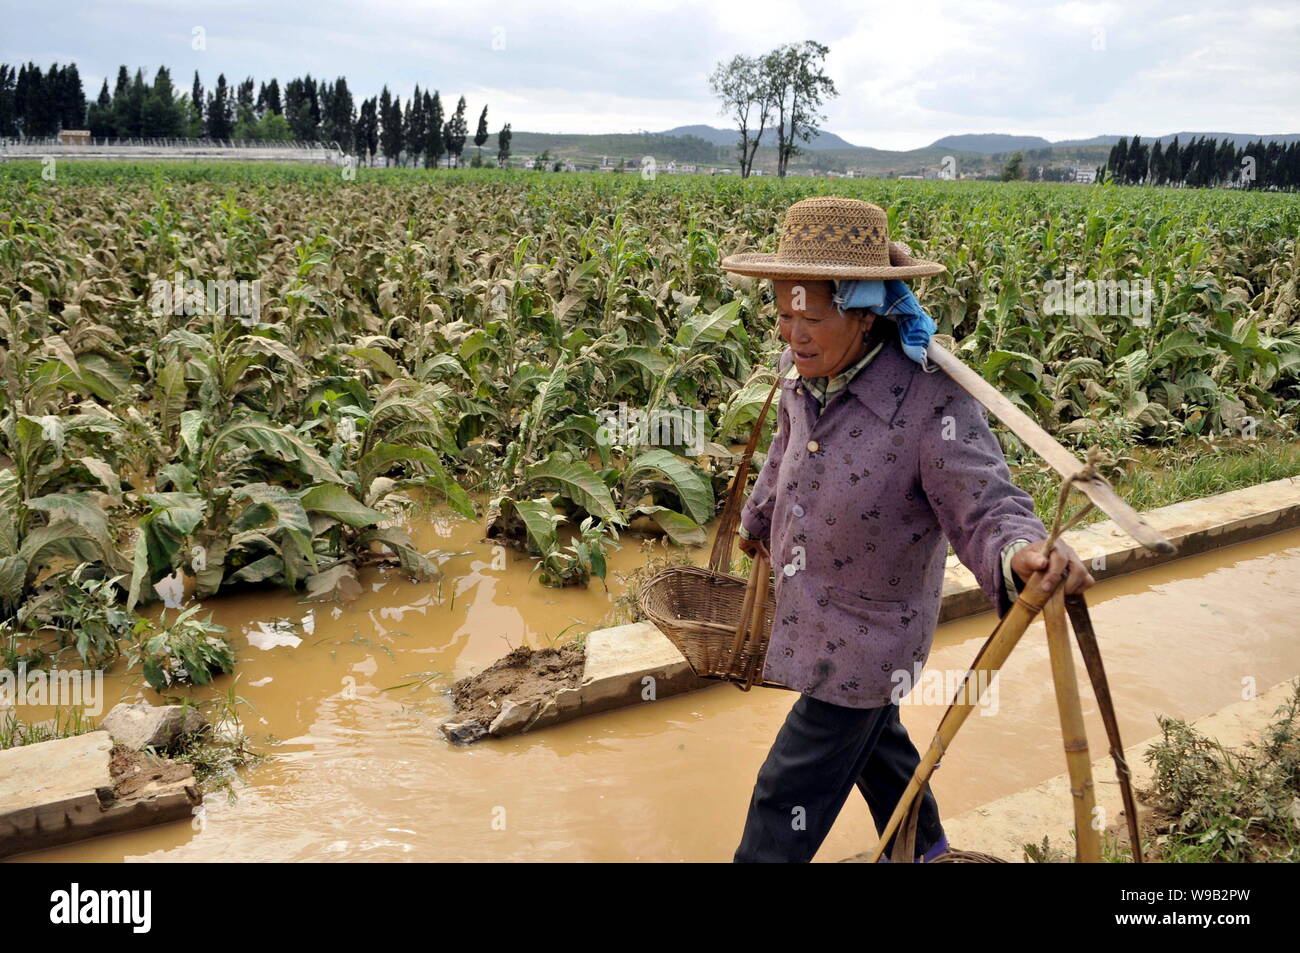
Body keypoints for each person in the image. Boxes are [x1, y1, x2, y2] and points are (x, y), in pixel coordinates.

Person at [719, 197, 1095, 863]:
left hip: (870, 637)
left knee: (785, 792)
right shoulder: (801, 375)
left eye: (812, 315)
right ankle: (928, 848)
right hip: (812, 610)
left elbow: (984, 498)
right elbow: (783, 451)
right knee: (879, 744)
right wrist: (757, 520)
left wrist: (1019, 550)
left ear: (864, 313)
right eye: (783, 312)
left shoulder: (929, 399)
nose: (792, 332)